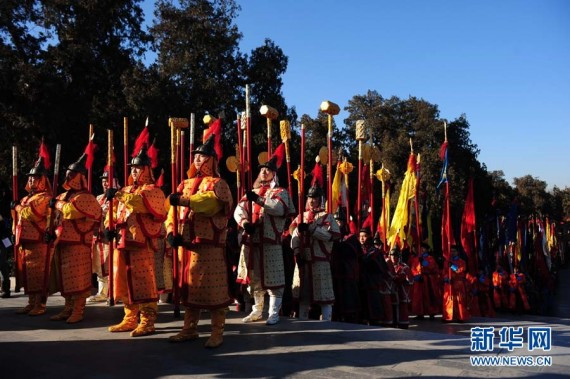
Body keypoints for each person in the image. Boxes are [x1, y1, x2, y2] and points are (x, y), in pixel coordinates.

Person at [166, 132, 234, 348]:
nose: (197, 158)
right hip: (186, 245)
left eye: (202, 155)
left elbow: (210, 204)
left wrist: (185, 201)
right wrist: (170, 232)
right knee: (188, 289)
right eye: (195, 155)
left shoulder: (219, 183)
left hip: (209, 245)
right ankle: (189, 328)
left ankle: (217, 331)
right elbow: (171, 213)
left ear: (212, 159)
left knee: (214, 291)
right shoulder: (184, 183)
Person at [106, 145, 166, 337]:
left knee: (144, 280)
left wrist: (119, 194)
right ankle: (129, 317)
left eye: (138, 167)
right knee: (122, 279)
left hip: (142, 241)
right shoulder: (124, 189)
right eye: (132, 167)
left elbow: (140, 205)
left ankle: (148, 320)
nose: (134, 170)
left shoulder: (153, 190)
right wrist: (110, 226)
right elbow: (115, 212)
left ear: (147, 170)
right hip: (123, 239)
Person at [234, 144, 296, 325]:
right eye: (262, 170)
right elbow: (239, 209)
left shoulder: (281, 192)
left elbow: (278, 208)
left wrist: (260, 200)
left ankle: (273, 313)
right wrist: (245, 223)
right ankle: (256, 310)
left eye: (268, 170)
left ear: (274, 174)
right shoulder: (250, 192)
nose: (264, 172)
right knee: (255, 279)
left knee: (274, 279)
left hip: (270, 242)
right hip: (251, 241)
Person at [49, 154, 101, 323]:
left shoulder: (86, 197)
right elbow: (56, 216)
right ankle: (68, 308)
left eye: (73, 174)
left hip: (79, 244)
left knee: (78, 279)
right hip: (62, 241)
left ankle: (78, 310)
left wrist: (56, 204)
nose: (68, 177)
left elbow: (71, 211)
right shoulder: (64, 196)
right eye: (68, 173)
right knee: (66, 279)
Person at [290, 179, 339, 321]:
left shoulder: (327, 216)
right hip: (303, 260)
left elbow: (330, 236)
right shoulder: (301, 216)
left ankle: (326, 322)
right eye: (310, 198)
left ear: (320, 199)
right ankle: (302, 321)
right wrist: (297, 251)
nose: (312, 201)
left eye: (315, 198)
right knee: (303, 295)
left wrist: (312, 228)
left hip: (320, 260)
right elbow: (294, 235)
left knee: (324, 295)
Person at [12, 157, 52, 315]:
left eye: (34, 178)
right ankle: (31, 302)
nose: (30, 180)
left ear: (42, 180)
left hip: (38, 240)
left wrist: (18, 207)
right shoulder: (25, 198)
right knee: (28, 273)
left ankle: (40, 305)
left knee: (39, 274)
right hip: (25, 240)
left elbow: (32, 214)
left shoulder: (45, 198)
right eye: (29, 177)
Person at [87, 170, 117, 303]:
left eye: (108, 180)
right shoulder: (98, 198)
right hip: (98, 236)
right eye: (103, 181)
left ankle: (115, 292)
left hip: (111, 237)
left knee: (112, 265)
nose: (105, 183)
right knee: (100, 265)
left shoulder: (118, 197)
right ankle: (102, 292)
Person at [330, 207, 360, 322]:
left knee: (348, 294)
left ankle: (350, 316)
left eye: (340, 221)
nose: (338, 224)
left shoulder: (350, 238)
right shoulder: (332, 237)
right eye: (336, 221)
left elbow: (355, 254)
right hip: (335, 270)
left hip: (347, 271)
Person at [358, 228, 391, 325]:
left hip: (372, 282)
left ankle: (375, 319)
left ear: (369, 237)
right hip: (361, 281)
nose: (362, 238)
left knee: (373, 301)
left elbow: (382, 268)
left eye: (364, 236)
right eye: (360, 236)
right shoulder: (359, 249)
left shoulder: (375, 252)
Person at [409, 243, 441, 319]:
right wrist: (416, 275)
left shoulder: (430, 258)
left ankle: (431, 313)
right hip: (419, 280)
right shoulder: (416, 258)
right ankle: (419, 313)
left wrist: (423, 262)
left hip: (428, 280)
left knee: (429, 296)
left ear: (427, 250)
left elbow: (432, 268)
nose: (422, 250)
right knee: (419, 297)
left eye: (424, 248)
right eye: (421, 248)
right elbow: (413, 268)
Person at [442, 246, 470, 322]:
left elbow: (461, 270)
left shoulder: (462, 261)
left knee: (459, 300)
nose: (452, 253)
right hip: (449, 283)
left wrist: (452, 266)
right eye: (451, 251)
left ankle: (460, 317)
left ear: (457, 252)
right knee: (449, 299)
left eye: (454, 251)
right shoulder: (446, 262)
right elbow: (444, 272)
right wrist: (446, 278)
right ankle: (448, 316)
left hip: (458, 283)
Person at [389, 246, 413, 329]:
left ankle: (403, 323)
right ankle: (394, 321)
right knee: (393, 307)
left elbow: (408, 278)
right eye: (391, 255)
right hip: (392, 291)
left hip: (401, 291)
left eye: (395, 255)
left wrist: (397, 277)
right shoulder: (389, 266)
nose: (393, 258)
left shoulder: (404, 267)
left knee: (402, 308)